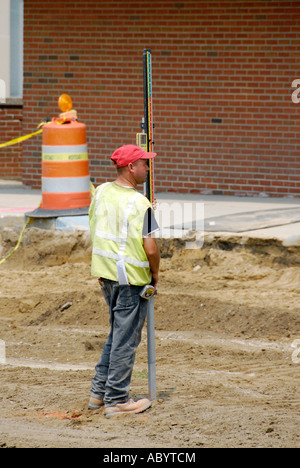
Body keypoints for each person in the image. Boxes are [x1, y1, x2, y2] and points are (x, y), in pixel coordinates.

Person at [88, 145, 160, 418]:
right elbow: (150, 248)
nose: (148, 168)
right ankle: (117, 399)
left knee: (116, 335)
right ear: (131, 167)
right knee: (125, 340)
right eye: (144, 164)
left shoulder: (101, 191)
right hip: (131, 279)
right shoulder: (141, 203)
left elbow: (96, 227)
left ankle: (98, 393)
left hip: (106, 274)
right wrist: (155, 275)